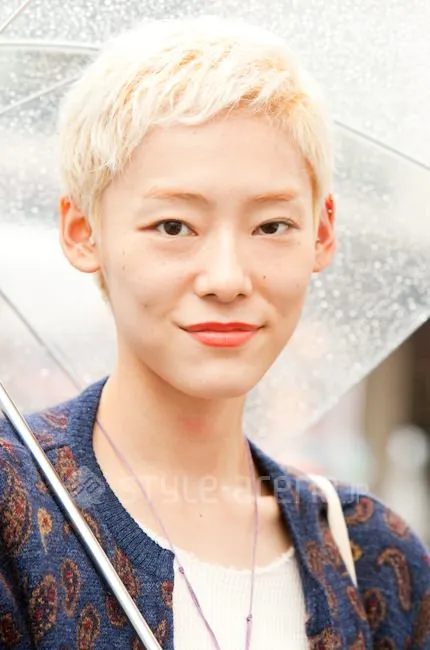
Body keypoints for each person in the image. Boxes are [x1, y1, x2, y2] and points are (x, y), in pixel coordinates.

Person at [0, 15, 429, 650]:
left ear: (322, 232)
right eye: (174, 226)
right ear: (83, 231)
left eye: (271, 226)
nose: (227, 279)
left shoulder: (373, 559)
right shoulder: (17, 509)